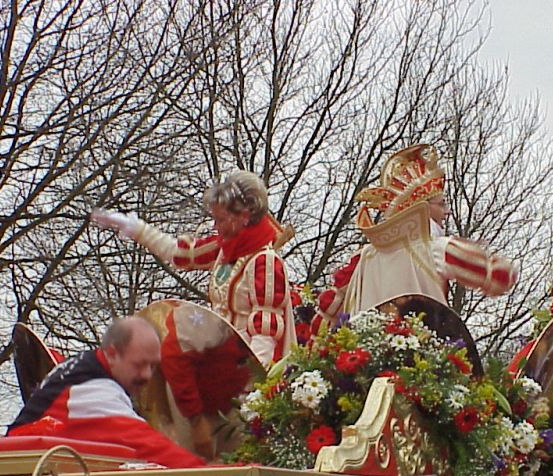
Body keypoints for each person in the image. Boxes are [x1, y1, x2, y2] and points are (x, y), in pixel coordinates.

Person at [90, 170, 296, 459]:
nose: (217, 226)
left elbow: (266, 331)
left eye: (222, 219)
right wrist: (136, 228)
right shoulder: (225, 249)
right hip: (220, 356)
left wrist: (253, 395)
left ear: (245, 214)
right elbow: (180, 254)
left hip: (245, 375)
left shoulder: (265, 262)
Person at [313, 144, 518, 331]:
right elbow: (499, 277)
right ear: (422, 208)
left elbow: (325, 312)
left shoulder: (362, 258)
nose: (446, 212)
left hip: (362, 364)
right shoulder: (437, 249)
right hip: (422, 364)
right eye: (442, 204)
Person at [7, 317, 206, 469]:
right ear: (112, 354)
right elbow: (146, 446)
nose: (146, 376)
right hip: (25, 470)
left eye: (153, 366)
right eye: (139, 365)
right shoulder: (90, 390)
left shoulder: (80, 368)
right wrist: (212, 472)